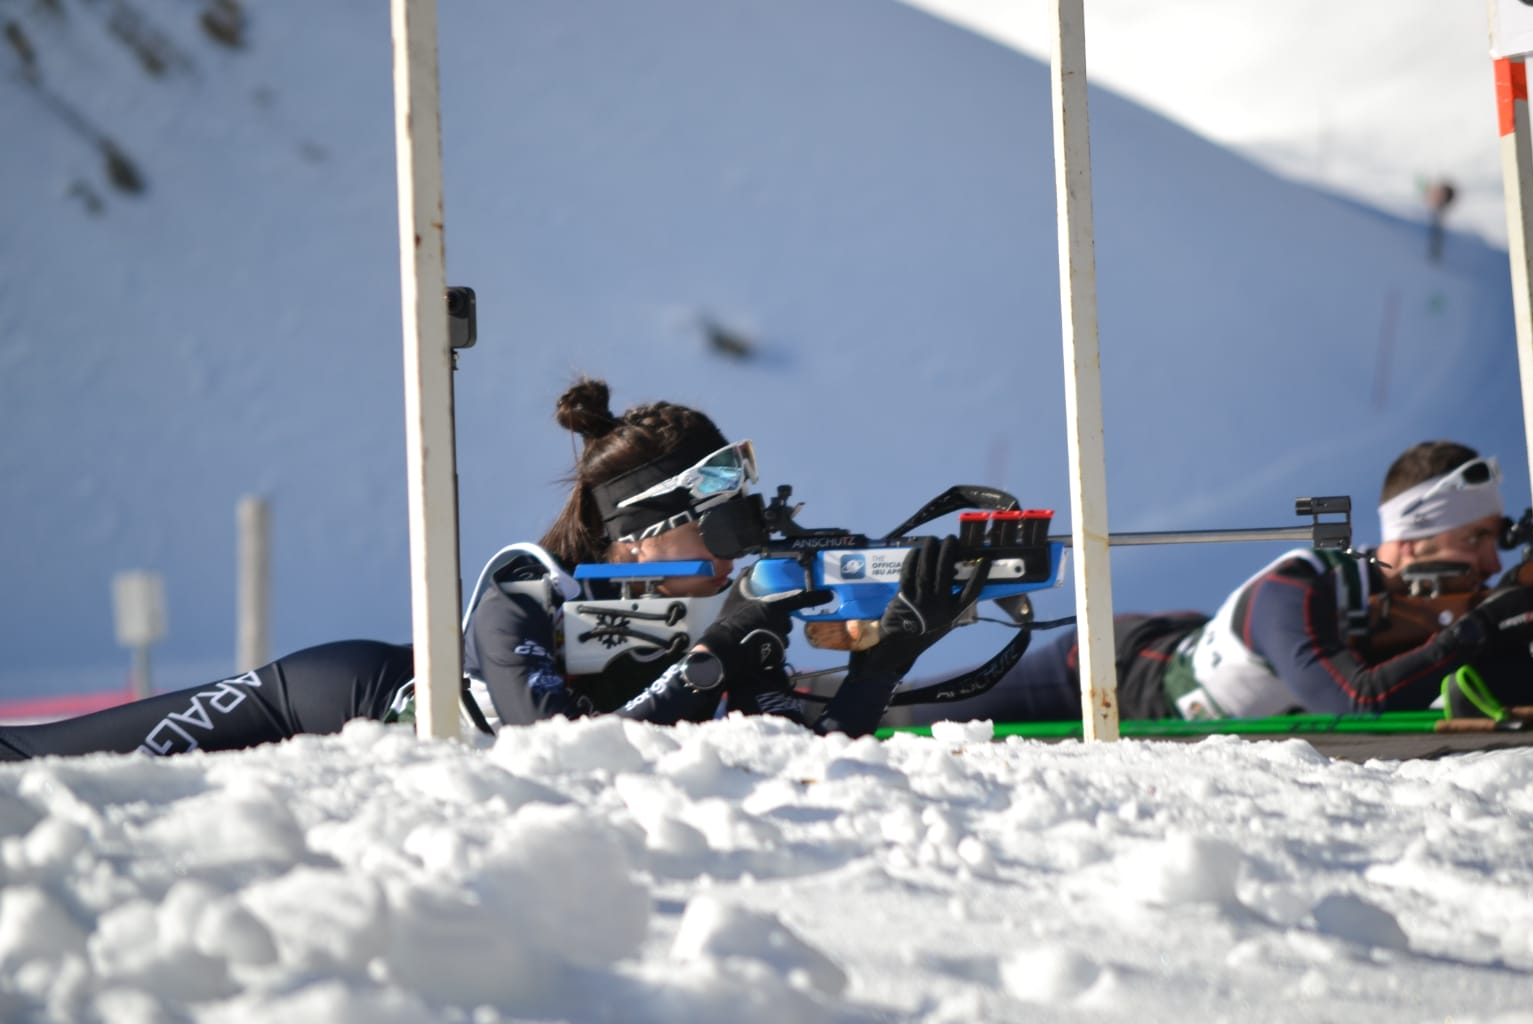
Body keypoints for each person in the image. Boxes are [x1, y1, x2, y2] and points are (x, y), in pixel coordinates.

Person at [0, 378, 976, 760]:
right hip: (327, 697)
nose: (739, 541)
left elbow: (807, 751)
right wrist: (720, 651)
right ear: (637, 539)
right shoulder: (526, 586)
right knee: (35, 759)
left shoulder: (721, 615)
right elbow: (547, 749)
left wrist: (881, 665)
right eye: (717, 521)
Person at [895, 440, 1533, 726]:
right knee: (901, 716)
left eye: (1493, 542)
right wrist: (1476, 630)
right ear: (1410, 539)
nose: (1490, 564)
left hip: (1178, 642)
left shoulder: (1412, 612)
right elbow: (1351, 701)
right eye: (1473, 541)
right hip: (1108, 667)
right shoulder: (1298, 587)